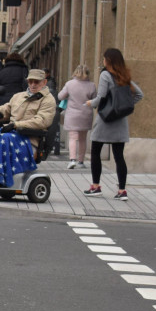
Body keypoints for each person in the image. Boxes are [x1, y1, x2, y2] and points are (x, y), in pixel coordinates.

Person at [84, 48, 144, 201]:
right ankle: (122, 190)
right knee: (119, 156)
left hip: (106, 119)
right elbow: (139, 94)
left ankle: (96, 186)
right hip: (120, 121)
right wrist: (123, 107)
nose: (102, 61)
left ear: (108, 61)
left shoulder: (105, 75)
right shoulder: (124, 75)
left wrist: (90, 103)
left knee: (96, 151)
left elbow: (101, 97)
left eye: (104, 59)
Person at [0, 68, 57, 160]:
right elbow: (5, 109)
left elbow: (42, 121)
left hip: (29, 138)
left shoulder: (48, 99)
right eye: (30, 81)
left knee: (2, 140)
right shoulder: (18, 96)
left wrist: (15, 125)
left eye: (36, 82)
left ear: (44, 82)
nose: (33, 85)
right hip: (11, 133)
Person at [56, 64, 98, 170]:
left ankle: (72, 160)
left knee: (73, 138)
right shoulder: (92, 85)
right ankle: (81, 161)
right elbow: (95, 101)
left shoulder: (69, 84)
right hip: (86, 114)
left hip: (72, 115)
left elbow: (60, 96)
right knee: (83, 139)